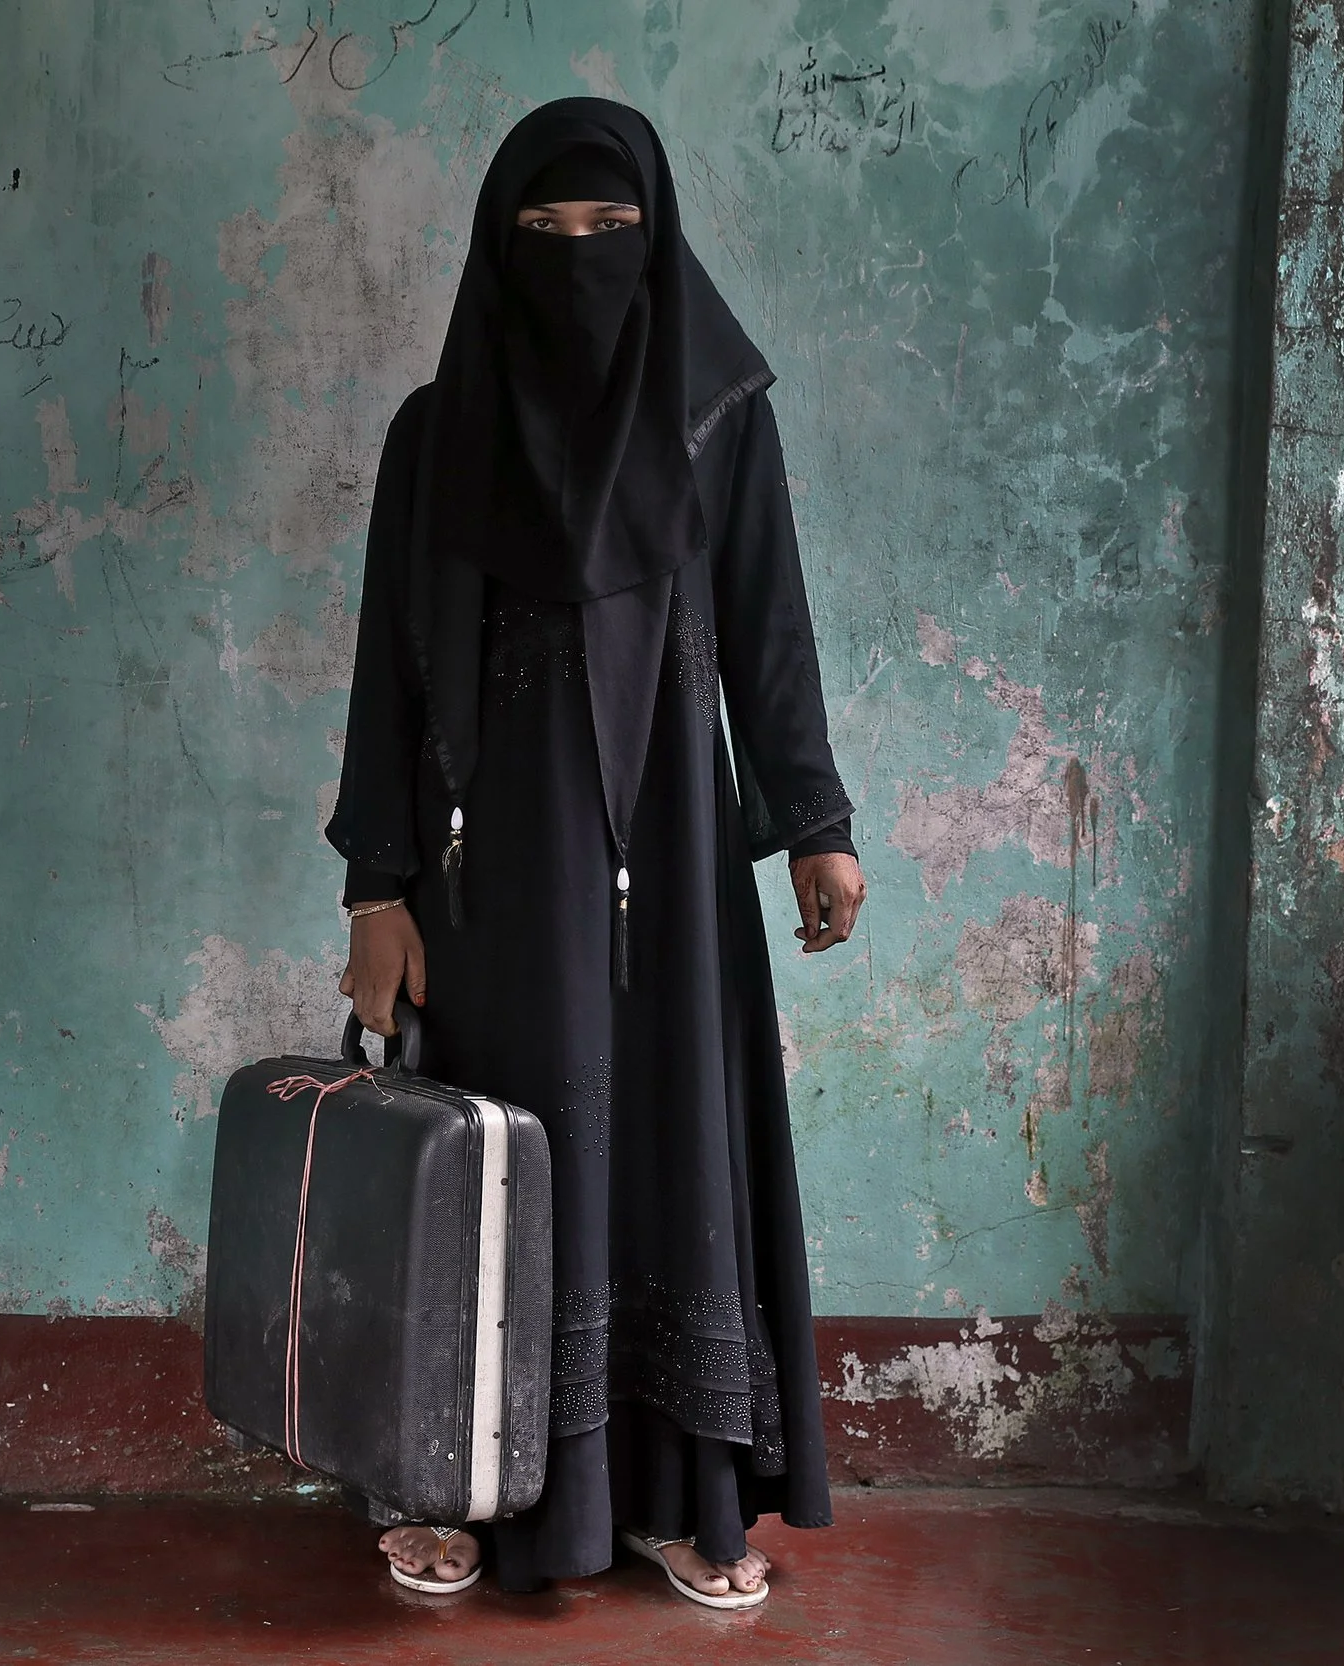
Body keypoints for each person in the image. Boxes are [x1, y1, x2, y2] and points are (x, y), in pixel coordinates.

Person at [326, 98, 866, 1607]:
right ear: (498, 253)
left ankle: (684, 1497)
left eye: (611, 233)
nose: (580, 261)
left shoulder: (717, 422)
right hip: (488, 883)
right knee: (487, 1170)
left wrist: (816, 825)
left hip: (673, 879)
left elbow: (768, 629)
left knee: (666, 1156)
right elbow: (387, 676)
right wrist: (374, 887)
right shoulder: (438, 438)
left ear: (659, 243)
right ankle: (458, 1482)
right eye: (546, 233)